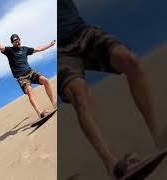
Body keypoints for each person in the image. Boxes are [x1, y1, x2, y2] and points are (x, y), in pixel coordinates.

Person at [58, 0, 167, 178]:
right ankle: (112, 165)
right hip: (58, 52)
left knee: (129, 61)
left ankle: (158, 135)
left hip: (81, 32)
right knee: (79, 92)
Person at [0, 34, 57, 118]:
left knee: (45, 80)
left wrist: (49, 45)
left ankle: (54, 104)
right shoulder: (10, 50)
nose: (17, 42)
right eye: (15, 41)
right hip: (22, 77)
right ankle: (40, 113)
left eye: (17, 41)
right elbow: (0, 47)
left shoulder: (25, 49)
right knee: (30, 90)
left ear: (20, 40)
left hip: (30, 72)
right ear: (12, 43)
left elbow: (38, 49)